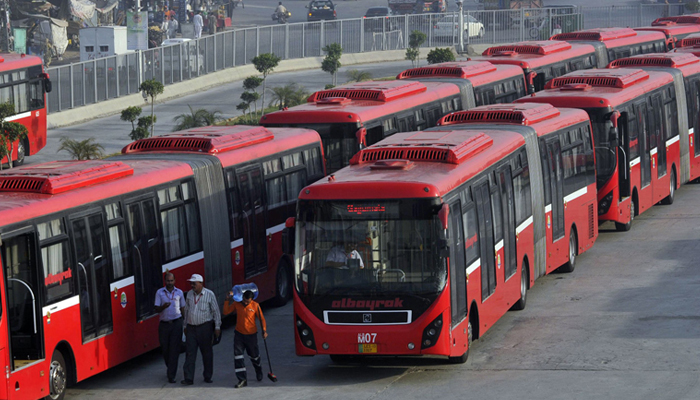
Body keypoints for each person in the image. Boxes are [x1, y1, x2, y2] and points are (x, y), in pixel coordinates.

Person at [181, 274, 221, 385]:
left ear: (201, 283)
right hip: (191, 328)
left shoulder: (209, 294)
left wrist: (217, 327)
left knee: (207, 353)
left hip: (205, 328)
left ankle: (207, 376)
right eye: (191, 283)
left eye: (194, 283)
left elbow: (216, 312)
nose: (192, 285)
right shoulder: (189, 294)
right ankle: (188, 378)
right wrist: (185, 326)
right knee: (190, 353)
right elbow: (186, 311)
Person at [223, 290, 268, 389]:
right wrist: (227, 300)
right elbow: (226, 312)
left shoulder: (255, 306)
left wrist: (264, 330)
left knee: (254, 356)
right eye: (244, 300)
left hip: (251, 336)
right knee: (238, 357)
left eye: (247, 301)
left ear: (251, 300)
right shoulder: (237, 304)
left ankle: (258, 369)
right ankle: (242, 379)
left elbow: (262, 319)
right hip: (239, 335)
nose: (245, 303)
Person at [154, 272, 186, 383]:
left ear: (175, 281)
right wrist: (163, 307)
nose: (170, 283)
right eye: (168, 281)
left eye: (171, 281)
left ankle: (171, 375)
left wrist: (185, 323)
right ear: (165, 281)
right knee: (165, 349)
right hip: (164, 325)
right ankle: (170, 367)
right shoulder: (159, 292)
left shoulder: (179, 292)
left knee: (174, 349)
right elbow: (156, 309)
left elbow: (183, 308)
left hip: (176, 323)